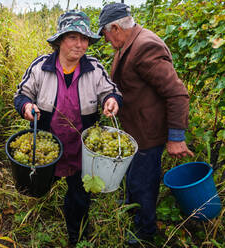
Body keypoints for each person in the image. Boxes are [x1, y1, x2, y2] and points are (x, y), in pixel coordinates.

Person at [14, 10, 122, 246]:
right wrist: (26, 107)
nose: (80, 44)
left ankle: (77, 236)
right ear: (60, 39)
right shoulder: (41, 66)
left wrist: (111, 101)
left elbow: (110, 91)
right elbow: (22, 95)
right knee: (35, 187)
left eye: (84, 39)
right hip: (49, 145)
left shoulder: (93, 68)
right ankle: (32, 219)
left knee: (79, 197)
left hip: (82, 149)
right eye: (73, 37)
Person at [97, 3, 194, 245]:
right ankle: (132, 208)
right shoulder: (129, 42)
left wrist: (176, 137)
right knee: (132, 176)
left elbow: (177, 94)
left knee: (143, 182)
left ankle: (144, 233)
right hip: (135, 129)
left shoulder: (145, 47)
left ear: (116, 28)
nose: (106, 40)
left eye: (105, 35)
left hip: (147, 134)